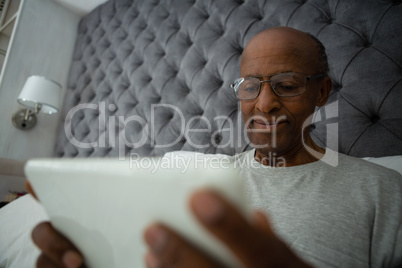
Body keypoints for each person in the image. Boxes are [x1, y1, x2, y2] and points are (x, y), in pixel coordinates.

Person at [28, 27, 402, 268]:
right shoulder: (194, 181)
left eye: (287, 84)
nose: (264, 103)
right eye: (250, 86)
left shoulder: (382, 190)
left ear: (321, 92)